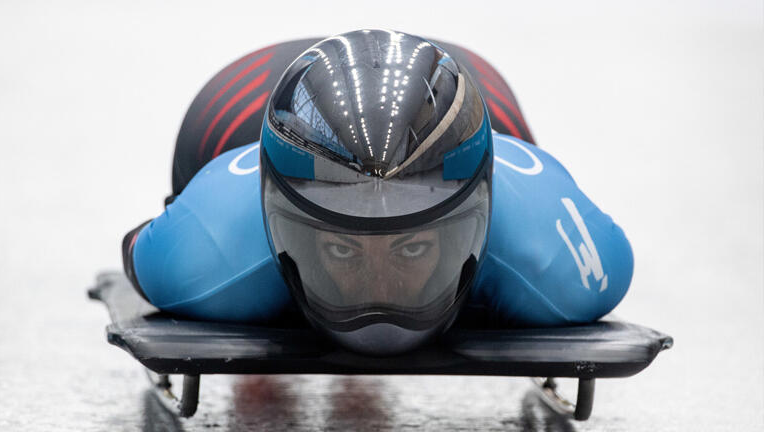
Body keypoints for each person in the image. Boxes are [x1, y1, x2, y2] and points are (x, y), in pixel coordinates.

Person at [122, 30, 633, 355]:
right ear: (271, 214)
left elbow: (136, 246)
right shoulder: (206, 246)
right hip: (237, 107)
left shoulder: (555, 256)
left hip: (466, 99)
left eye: (411, 247)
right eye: (343, 248)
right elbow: (144, 248)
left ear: (483, 215)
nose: (379, 293)